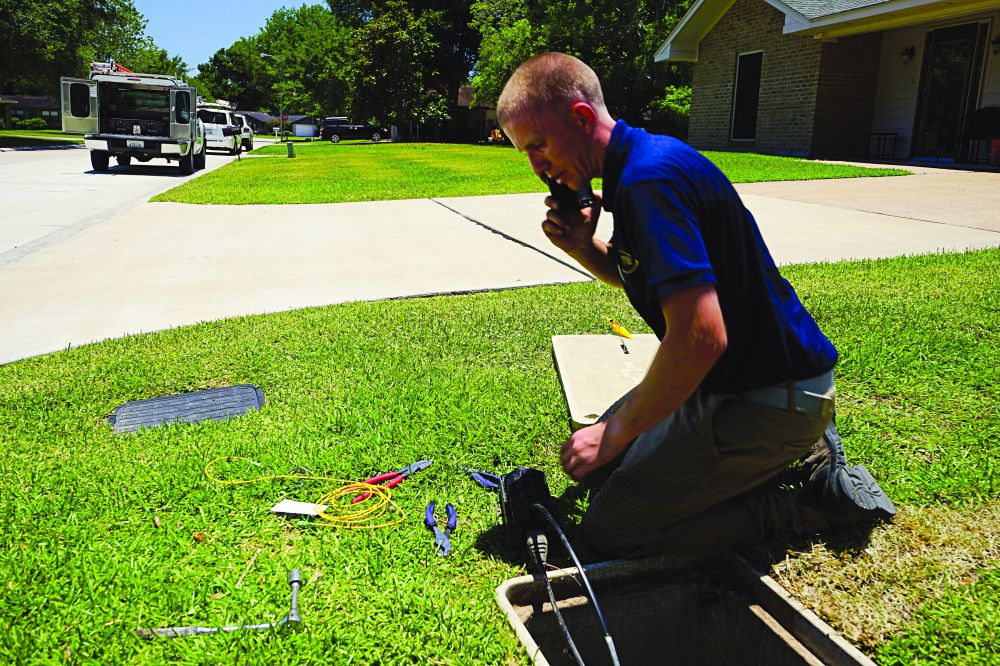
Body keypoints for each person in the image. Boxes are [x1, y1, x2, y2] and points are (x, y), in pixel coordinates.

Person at [497, 52, 895, 558]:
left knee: (614, 530)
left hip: (762, 397)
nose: (536, 166)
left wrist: (616, 432)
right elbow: (638, 276)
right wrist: (581, 246)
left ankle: (812, 505)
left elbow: (701, 337)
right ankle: (802, 444)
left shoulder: (648, 184)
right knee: (602, 465)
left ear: (579, 117)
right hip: (748, 378)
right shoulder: (638, 166)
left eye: (538, 145)